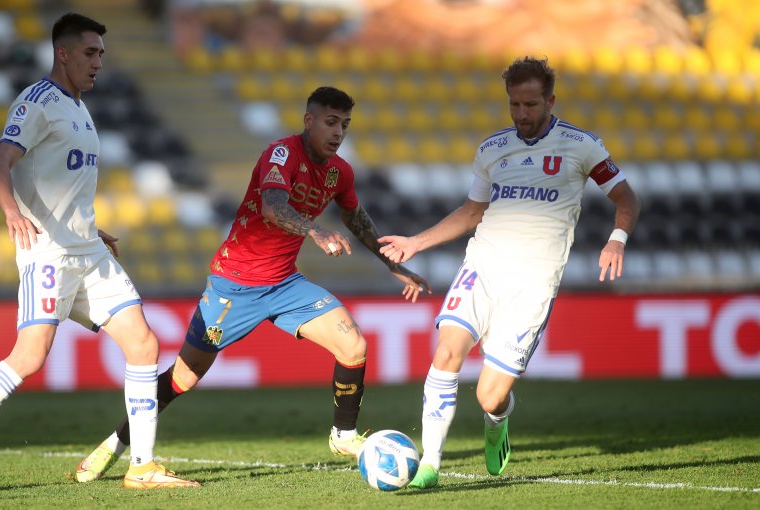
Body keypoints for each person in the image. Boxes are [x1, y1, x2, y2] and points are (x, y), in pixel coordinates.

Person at [73, 86, 432, 485]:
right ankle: (116, 444)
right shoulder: (280, 155)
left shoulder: (339, 172)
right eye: (330, 122)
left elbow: (356, 217)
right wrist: (314, 231)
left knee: (354, 345)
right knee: (183, 379)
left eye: (345, 125)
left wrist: (394, 267)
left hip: (284, 284)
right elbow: (273, 207)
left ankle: (343, 436)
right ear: (308, 120)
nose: (338, 132)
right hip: (234, 285)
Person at [0, 13, 189, 497]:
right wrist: (11, 214)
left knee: (144, 345)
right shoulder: (37, 102)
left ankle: (142, 467)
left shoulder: (81, 108)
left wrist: (91, 227)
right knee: (30, 357)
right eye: (90, 52)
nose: (98, 62)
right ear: (62, 53)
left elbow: (60, 184)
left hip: (87, 249)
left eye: (102, 53)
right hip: (48, 254)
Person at [377, 56, 641, 489]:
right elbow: (471, 212)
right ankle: (430, 464)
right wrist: (415, 243)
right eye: (514, 105)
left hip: (534, 281)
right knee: (445, 356)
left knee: (489, 395)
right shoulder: (493, 149)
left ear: (550, 100)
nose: (522, 115)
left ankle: (497, 418)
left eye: (531, 105)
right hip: (482, 266)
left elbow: (627, 198)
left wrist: (617, 239)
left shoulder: (583, 145)